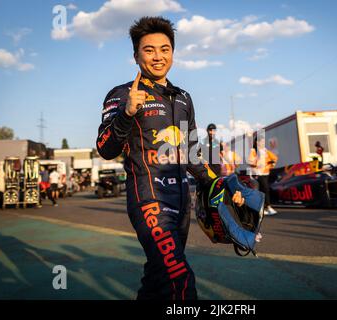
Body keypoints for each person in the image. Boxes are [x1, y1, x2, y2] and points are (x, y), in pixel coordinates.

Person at [96, 16, 243, 300]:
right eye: (148, 50)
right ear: (136, 55)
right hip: (148, 199)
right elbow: (105, 148)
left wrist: (221, 185)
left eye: (164, 49)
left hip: (181, 202)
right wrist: (127, 114)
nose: (157, 56)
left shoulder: (184, 98)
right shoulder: (122, 94)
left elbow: (192, 155)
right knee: (179, 280)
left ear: (173, 52)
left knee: (157, 278)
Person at [249, 136, 278, 216]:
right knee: (265, 189)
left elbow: (274, 158)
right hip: (257, 173)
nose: (262, 143)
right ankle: (267, 206)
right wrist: (257, 163)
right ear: (257, 142)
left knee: (263, 190)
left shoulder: (265, 150)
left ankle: (263, 208)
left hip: (265, 173)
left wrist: (271, 163)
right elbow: (251, 161)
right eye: (261, 141)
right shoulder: (253, 150)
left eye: (263, 141)